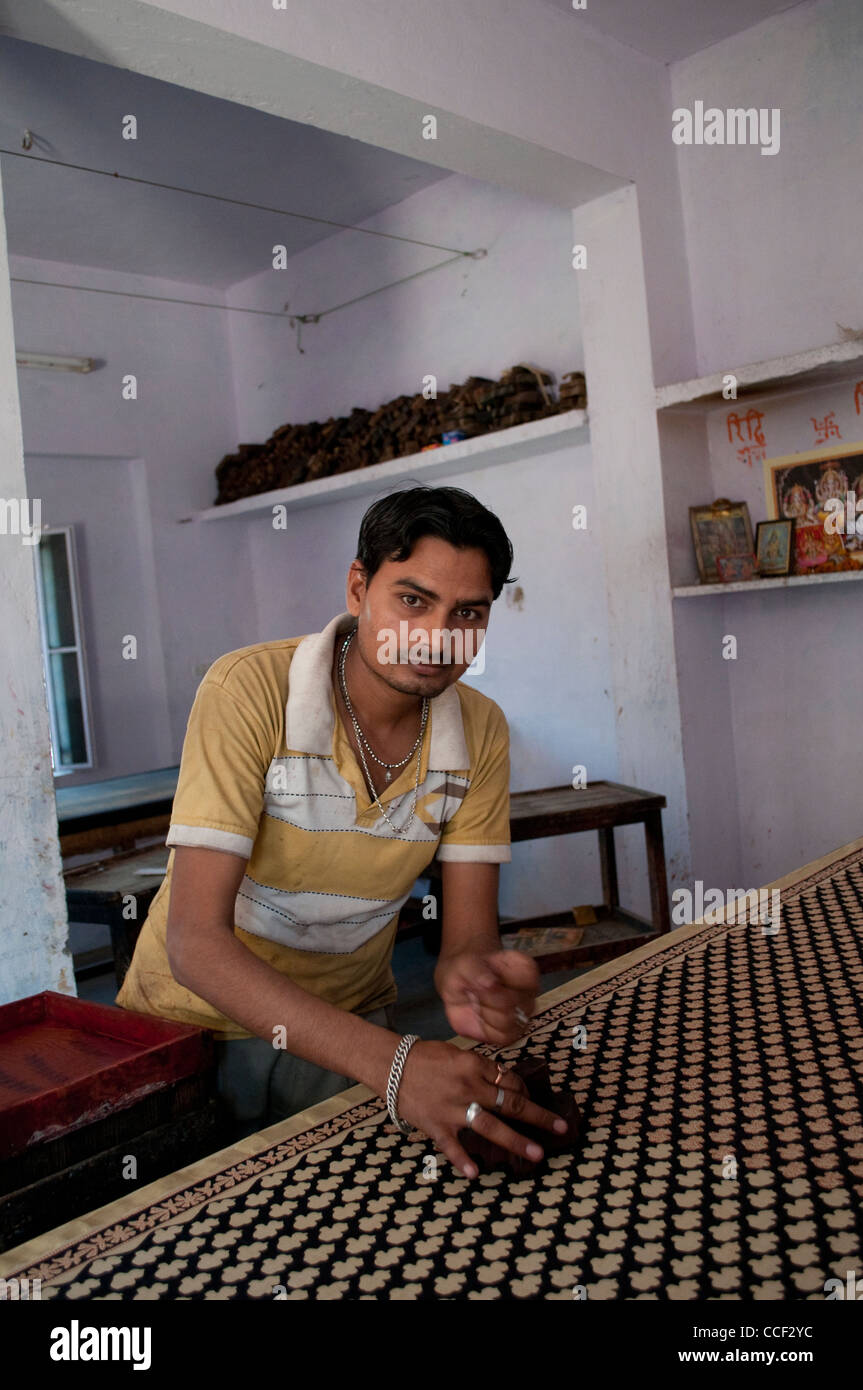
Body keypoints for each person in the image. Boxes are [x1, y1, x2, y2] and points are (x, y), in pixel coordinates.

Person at [116, 484, 567, 1176]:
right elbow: (194, 945)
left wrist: (479, 981)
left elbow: (467, 941)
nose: (436, 638)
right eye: (412, 600)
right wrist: (396, 1067)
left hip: (347, 1026)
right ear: (358, 588)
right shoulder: (248, 691)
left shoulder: (480, 730)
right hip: (188, 1029)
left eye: (467, 613)